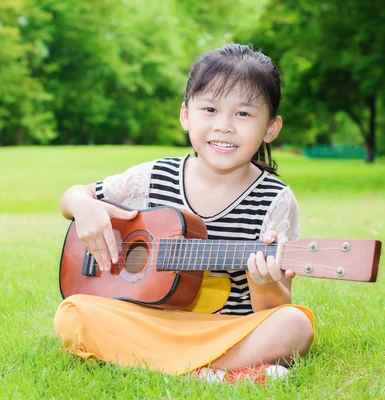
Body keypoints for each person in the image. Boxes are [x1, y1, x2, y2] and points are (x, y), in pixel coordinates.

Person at [54, 43, 314, 384]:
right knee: (73, 313)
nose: (224, 126)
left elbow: (271, 309)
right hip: (152, 321)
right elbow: (72, 197)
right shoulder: (153, 176)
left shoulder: (274, 199)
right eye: (209, 109)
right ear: (186, 115)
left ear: (271, 128)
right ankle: (217, 372)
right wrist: (84, 207)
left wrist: (262, 281)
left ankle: (175, 365)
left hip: (224, 329)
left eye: (243, 114)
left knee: (294, 325)